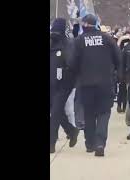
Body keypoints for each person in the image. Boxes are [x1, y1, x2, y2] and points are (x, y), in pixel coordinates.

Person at [67, 14, 122, 157]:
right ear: (96, 24)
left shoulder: (78, 41)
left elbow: (72, 63)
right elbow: (118, 58)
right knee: (104, 113)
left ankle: (90, 143)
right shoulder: (107, 39)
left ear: (84, 25)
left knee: (89, 113)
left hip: (86, 83)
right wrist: (115, 73)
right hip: (105, 83)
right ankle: (100, 143)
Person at [50, 18, 79, 153]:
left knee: (55, 112)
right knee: (57, 112)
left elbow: (72, 63)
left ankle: (51, 142)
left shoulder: (68, 44)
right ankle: (71, 130)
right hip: (52, 83)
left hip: (64, 84)